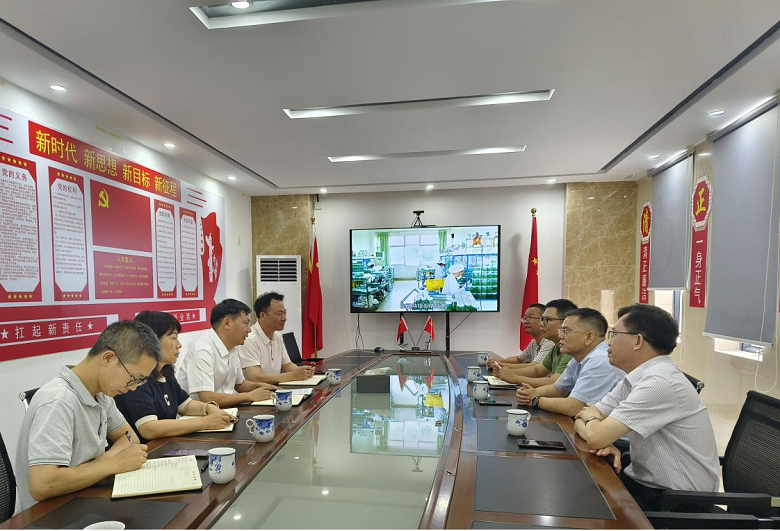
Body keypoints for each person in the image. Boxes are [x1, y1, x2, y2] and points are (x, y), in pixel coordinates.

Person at [574, 304, 720, 511]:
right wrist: (596, 430)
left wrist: (595, 429)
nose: (608, 342)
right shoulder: (636, 377)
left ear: (638, 341)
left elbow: (594, 432)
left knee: (581, 504)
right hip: (644, 485)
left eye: (614, 334)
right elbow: (582, 418)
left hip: (677, 503)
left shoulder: (660, 383)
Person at [15, 320, 159, 510]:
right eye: (134, 378)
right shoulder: (58, 401)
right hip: (52, 513)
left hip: (85, 496)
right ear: (108, 358)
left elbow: (130, 438)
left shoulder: (102, 394)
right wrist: (111, 464)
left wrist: (105, 461)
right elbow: (42, 485)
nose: (133, 388)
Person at [115, 311, 236, 442]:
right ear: (151, 341)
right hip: (146, 450)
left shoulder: (165, 372)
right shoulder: (137, 378)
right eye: (173, 338)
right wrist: (204, 422)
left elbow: (185, 405)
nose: (179, 345)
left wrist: (208, 408)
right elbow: (149, 428)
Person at [516, 308, 624, 416]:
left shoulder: (600, 360)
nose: (560, 336)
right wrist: (532, 393)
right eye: (561, 330)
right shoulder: (580, 356)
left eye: (566, 331)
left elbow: (573, 407)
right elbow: (557, 389)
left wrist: (535, 400)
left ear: (589, 337)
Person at [179, 299, 277, 408]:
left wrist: (260, 387)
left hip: (227, 409)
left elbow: (240, 384)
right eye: (245, 323)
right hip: (202, 414)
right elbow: (207, 398)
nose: (249, 330)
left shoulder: (232, 347)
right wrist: (249, 396)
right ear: (227, 323)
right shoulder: (203, 351)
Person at [492, 299, 576, 387]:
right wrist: (505, 372)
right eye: (542, 319)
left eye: (547, 319)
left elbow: (554, 383)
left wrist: (515, 378)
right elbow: (537, 370)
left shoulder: (571, 351)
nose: (542, 324)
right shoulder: (556, 347)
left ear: (566, 322)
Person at [238, 292, 316, 384]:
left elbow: (287, 365)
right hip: (258, 391)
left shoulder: (277, 336)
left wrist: (303, 371)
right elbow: (255, 377)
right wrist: (293, 376)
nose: (284, 318)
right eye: (279, 314)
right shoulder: (249, 339)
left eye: (284, 313)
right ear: (262, 316)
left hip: (275, 388)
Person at [487, 303, 554, 369]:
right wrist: (498, 361)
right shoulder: (534, 342)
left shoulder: (550, 342)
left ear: (543, 320)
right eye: (524, 318)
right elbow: (519, 359)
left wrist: (499, 364)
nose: (525, 321)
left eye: (530, 317)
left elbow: (534, 367)